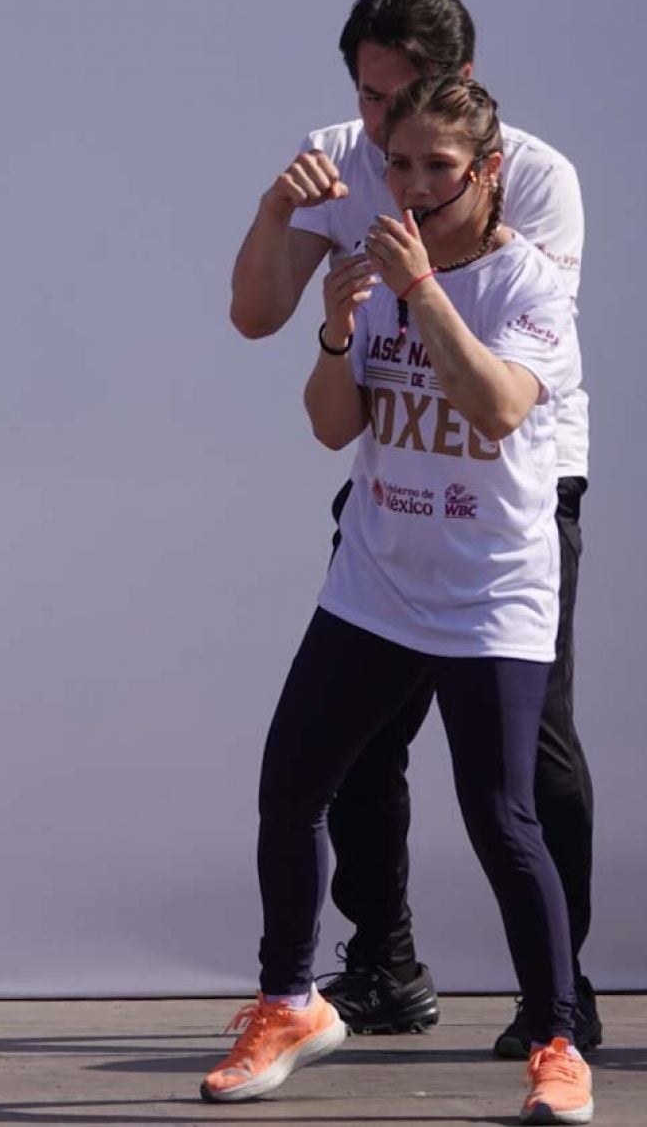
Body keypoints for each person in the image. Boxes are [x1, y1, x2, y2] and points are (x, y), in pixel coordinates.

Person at [202, 78, 592, 1125]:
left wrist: (422, 292)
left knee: (503, 820)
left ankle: (557, 1039)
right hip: (376, 581)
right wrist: (337, 334)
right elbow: (335, 427)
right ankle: (289, 1003)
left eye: (439, 169)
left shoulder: (527, 282)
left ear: (488, 172)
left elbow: (498, 406)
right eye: (400, 166)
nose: (414, 188)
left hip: (491, 591)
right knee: (291, 787)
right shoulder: (376, 269)